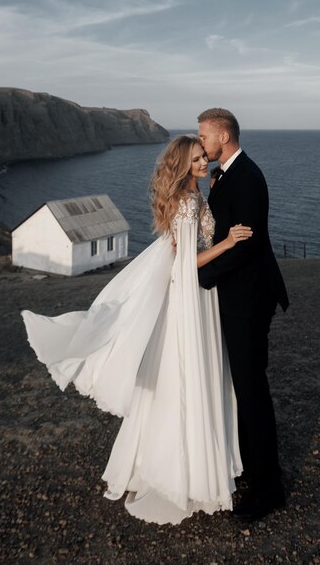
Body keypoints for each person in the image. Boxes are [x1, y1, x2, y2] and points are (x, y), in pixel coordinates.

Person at [22, 135, 252, 525]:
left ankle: (189, 463)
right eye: (196, 160)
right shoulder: (186, 201)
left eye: (202, 157)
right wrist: (228, 243)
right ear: (182, 165)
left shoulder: (193, 193)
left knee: (181, 375)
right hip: (190, 297)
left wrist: (209, 196)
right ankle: (185, 472)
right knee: (186, 375)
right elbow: (186, 262)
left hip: (198, 297)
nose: (202, 163)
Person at [197, 108, 289, 521]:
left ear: (223, 136)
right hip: (238, 297)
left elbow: (247, 245)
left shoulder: (248, 177)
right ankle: (250, 468)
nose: (201, 144)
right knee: (243, 387)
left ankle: (269, 489)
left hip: (250, 300)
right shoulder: (228, 175)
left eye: (204, 137)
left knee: (252, 390)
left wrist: (200, 276)